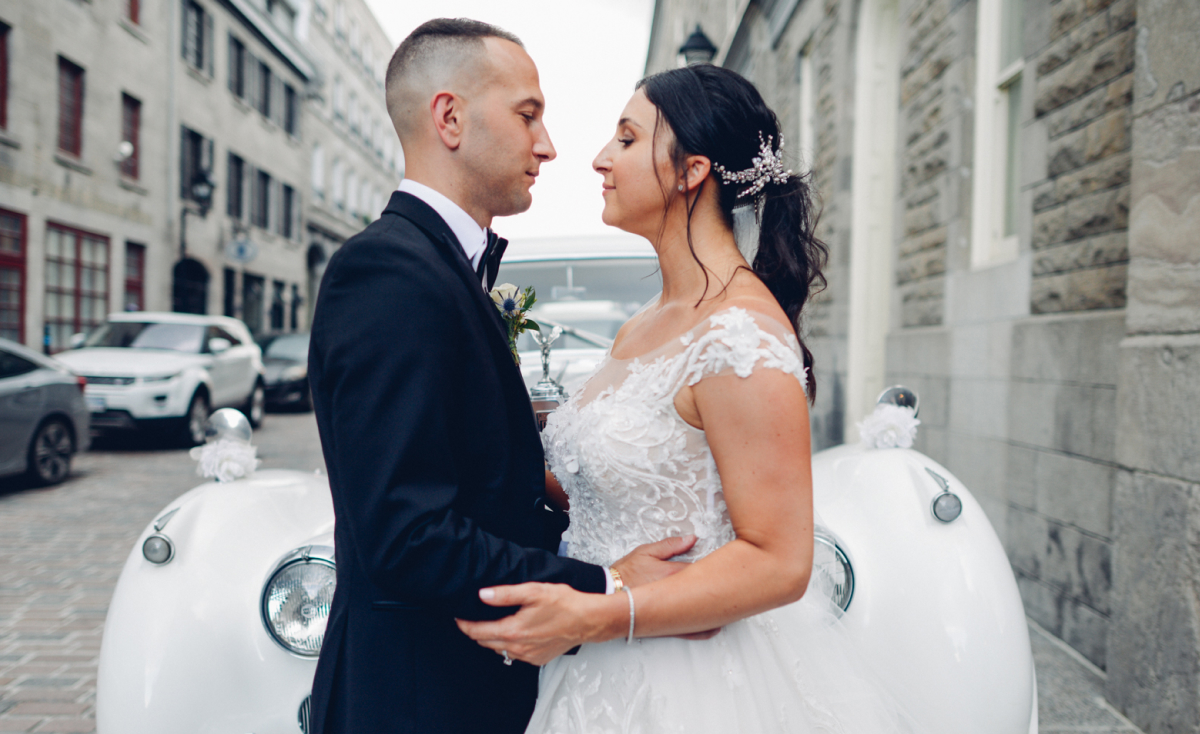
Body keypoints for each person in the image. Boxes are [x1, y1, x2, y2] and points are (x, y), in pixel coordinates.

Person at [457, 65, 925, 732]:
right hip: (593, 666)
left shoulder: (740, 335)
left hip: (688, 681)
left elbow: (780, 561)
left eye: (625, 139)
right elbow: (618, 484)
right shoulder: (645, 322)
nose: (598, 159)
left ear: (691, 170)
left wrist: (595, 613)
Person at [306, 19, 695, 734]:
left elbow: (483, 485)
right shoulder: (388, 274)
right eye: (528, 115)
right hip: (419, 700)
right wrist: (607, 586)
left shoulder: (437, 270)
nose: (547, 145)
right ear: (450, 117)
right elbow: (406, 535)